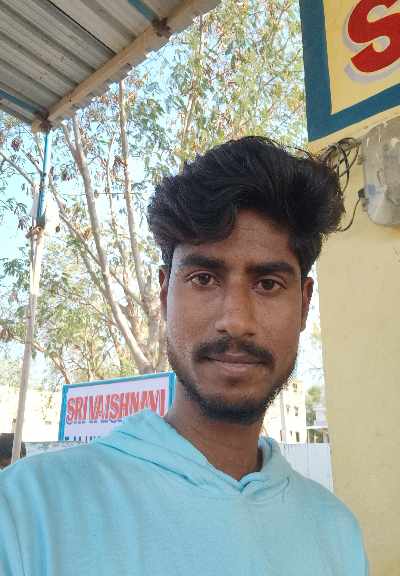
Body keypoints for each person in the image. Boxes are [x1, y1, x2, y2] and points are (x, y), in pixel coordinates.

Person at [0, 137, 368, 575]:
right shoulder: (26, 514)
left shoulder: (336, 533)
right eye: (204, 278)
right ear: (164, 294)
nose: (236, 320)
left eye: (268, 284)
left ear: (304, 305)